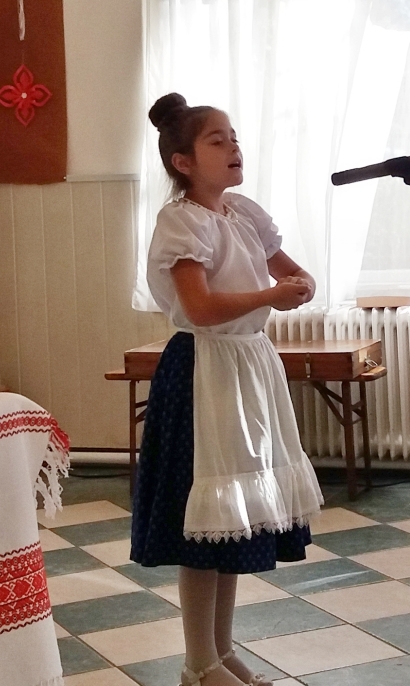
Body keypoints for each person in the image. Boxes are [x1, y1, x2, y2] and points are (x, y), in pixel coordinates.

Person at [130, 93, 324, 686]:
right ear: (183, 161)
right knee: (204, 520)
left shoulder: (241, 213)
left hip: (248, 367)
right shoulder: (182, 221)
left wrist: (300, 283)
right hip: (204, 371)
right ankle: (198, 663)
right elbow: (200, 307)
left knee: (232, 514)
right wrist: (272, 295)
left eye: (234, 137)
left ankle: (221, 651)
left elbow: (288, 270)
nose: (234, 146)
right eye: (217, 140)